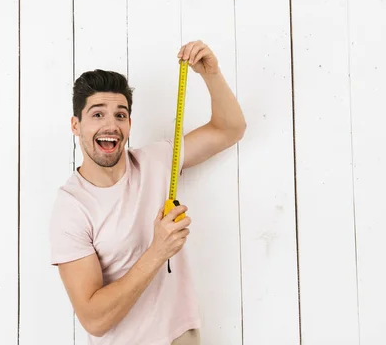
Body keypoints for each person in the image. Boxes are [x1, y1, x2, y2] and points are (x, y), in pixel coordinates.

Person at [49, 40, 246, 345]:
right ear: (76, 125)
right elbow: (94, 319)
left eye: (120, 114)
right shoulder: (72, 207)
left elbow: (229, 129)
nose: (111, 125)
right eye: (97, 115)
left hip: (182, 337)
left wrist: (212, 74)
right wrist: (158, 251)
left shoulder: (155, 161)